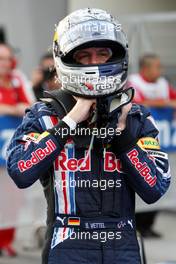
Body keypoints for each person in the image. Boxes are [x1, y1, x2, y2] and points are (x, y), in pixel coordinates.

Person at [6, 8, 171, 264]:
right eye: (84, 55)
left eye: (103, 54)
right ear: (67, 59)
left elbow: (154, 189)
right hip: (67, 242)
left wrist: (123, 135)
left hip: (122, 241)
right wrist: (70, 121)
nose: (95, 62)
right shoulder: (43, 115)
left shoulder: (136, 117)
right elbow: (20, 172)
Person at [128, 54, 176, 238]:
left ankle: (148, 225)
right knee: (142, 179)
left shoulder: (163, 84)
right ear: (145, 69)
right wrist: (165, 104)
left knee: (160, 179)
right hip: (140, 142)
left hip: (163, 142)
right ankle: (137, 224)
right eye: (156, 67)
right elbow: (139, 104)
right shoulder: (133, 83)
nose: (160, 71)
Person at [0, 43, 33, 256]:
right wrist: (13, 109)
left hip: (10, 149)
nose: (5, 63)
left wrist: (20, 107)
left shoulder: (17, 79)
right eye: (1, 59)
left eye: (7, 58)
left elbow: (31, 105)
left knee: (12, 198)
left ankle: (5, 240)